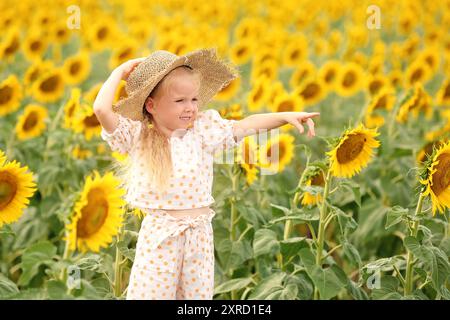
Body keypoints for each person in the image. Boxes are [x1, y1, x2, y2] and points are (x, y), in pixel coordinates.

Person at [93, 48, 320, 300]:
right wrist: (118, 72)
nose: (190, 108)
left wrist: (285, 117)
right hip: (160, 237)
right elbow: (102, 110)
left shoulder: (203, 129)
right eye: (180, 101)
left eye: (194, 99)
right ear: (151, 105)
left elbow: (245, 125)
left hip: (199, 237)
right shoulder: (136, 136)